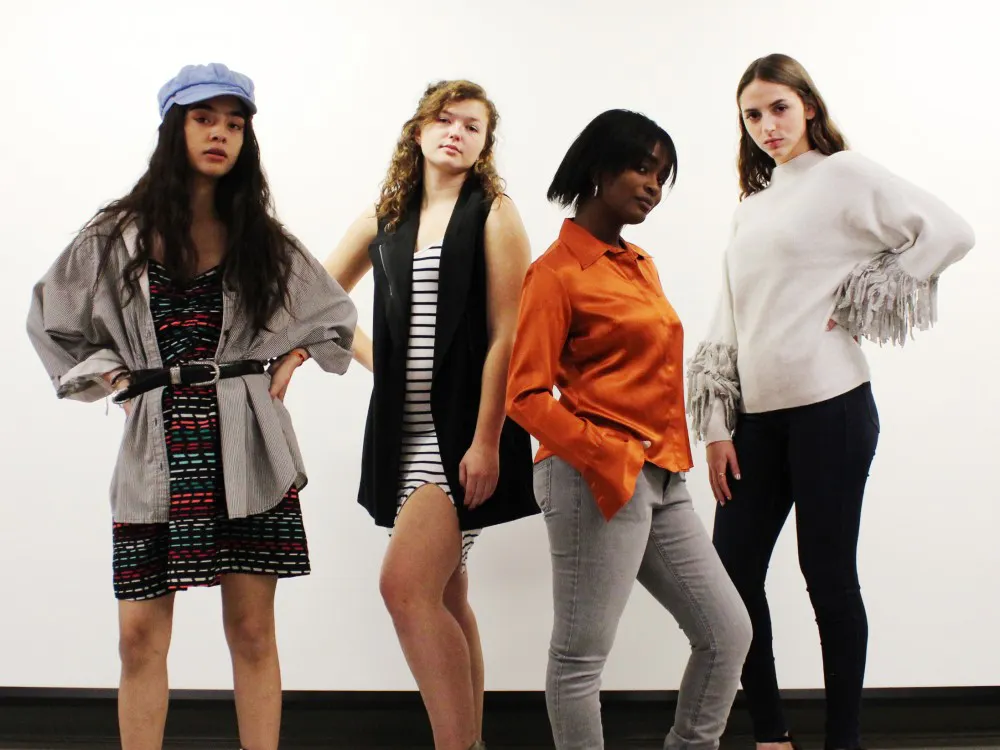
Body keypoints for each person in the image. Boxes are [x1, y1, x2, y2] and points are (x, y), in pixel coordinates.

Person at [26, 63, 358, 750]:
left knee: (252, 631)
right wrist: (110, 378)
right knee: (138, 636)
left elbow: (334, 316)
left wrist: (293, 356)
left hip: (249, 447)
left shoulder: (262, 238)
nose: (221, 134)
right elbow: (50, 322)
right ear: (173, 128)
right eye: (205, 118)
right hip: (157, 448)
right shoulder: (114, 235)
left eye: (235, 124)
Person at [686, 53, 976, 750]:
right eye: (752, 115)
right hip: (756, 420)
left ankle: (843, 740)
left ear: (808, 106)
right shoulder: (749, 210)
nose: (766, 125)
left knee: (827, 576)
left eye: (779, 108)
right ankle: (772, 734)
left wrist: (864, 295)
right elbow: (727, 318)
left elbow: (950, 231)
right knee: (732, 580)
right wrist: (719, 426)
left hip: (831, 408)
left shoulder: (844, 175)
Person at [505, 109, 753, 750]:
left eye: (662, 176)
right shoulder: (555, 272)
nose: (653, 186)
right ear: (598, 168)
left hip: (664, 476)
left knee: (727, 632)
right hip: (591, 475)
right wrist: (604, 455)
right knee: (581, 657)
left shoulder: (638, 263)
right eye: (642, 168)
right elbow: (525, 396)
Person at [323, 79, 538, 750]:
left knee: (404, 587)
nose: (457, 132)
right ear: (417, 132)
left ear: (483, 146)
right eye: (445, 120)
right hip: (401, 434)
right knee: (445, 598)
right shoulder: (386, 216)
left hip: (460, 437)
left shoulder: (494, 212)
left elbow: (509, 334)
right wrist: (376, 361)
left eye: (473, 126)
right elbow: (320, 301)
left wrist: (487, 441)